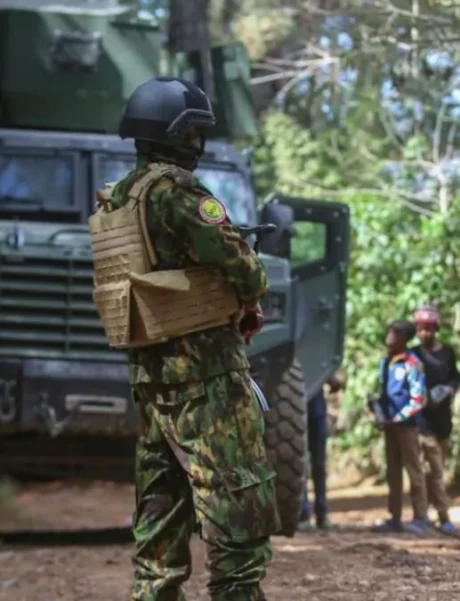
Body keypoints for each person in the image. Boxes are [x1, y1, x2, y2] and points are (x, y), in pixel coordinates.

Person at [89, 77, 277, 600]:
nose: (199, 142)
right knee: (238, 495)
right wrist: (243, 288)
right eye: (194, 131)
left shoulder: (119, 197)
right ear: (177, 133)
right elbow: (247, 272)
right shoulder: (179, 191)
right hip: (207, 376)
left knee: (161, 507)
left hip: (152, 377)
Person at [370, 320, 433, 535]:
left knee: (414, 470)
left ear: (404, 339)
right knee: (393, 472)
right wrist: (377, 411)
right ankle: (394, 517)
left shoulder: (412, 363)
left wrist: (397, 418)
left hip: (407, 426)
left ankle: (421, 517)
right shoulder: (386, 363)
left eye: (394, 333)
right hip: (389, 427)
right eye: (389, 331)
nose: (389, 337)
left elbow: (418, 399)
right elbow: (383, 393)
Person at [411, 305, 460, 536]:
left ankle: (431, 514)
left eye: (429, 329)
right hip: (423, 421)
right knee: (430, 469)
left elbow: (455, 376)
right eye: (421, 329)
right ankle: (436, 517)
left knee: (436, 470)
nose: (425, 334)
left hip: (443, 420)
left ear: (436, 329)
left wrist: (449, 390)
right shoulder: (413, 355)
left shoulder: (447, 352)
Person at [299, 375, 344, 532]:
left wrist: (331, 378)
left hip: (317, 412)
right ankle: (303, 514)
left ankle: (322, 514)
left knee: (319, 464)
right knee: (300, 463)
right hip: (296, 412)